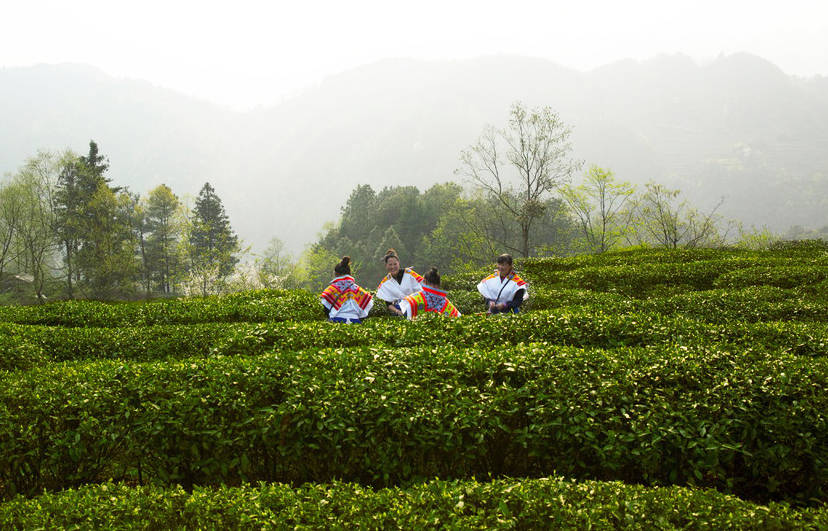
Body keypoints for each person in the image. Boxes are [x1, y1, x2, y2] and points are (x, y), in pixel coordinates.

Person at [320, 256, 374, 323]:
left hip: (336, 322)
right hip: (355, 323)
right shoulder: (359, 290)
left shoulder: (331, 290)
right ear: (350, 273)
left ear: (336, 273)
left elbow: (326, 309)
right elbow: (367, 307)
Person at [393, 267, 460, 320]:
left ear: (424, 281)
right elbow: (458, 318)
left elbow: (405, 316)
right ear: (439, 283)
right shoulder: (446, 302)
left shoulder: (415, 299)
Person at [376, 248, 424, 313]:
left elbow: (422, 289)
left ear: (399, 263)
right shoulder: (385, 282)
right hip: (400, 310)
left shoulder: (409, 273)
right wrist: (397, 311)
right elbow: (388, 304)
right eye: (390, 265)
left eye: (395, 264)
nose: (393, 267)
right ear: (386, 266)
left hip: (416, 305)